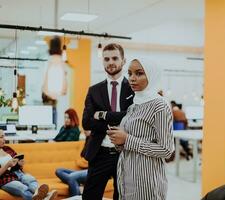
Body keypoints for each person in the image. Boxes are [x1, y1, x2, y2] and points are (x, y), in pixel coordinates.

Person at [107, 58, 174, 200]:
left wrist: (127, 139)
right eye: (130, 73)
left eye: (139, 73)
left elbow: (167, 150)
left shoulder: (159, 106)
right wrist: (119, 141)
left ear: (151, 75)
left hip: (146, 183)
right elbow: (128, 143)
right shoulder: (134, 106)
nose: (132, 78)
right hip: (126, 179)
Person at [82, 43, 134, 200]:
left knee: (122, 196)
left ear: (123, 61)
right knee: (90, 196)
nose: (110, 62)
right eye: (106, 59)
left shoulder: (134, 89)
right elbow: (86, 122)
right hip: (100, 153)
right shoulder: (94, 90)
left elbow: (134, 117)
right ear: (103, 62)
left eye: (115, 58)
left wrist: (103, 115)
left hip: (126, 153)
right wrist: (121, 118)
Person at [0, 129, 57, 200]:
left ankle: (43, 196)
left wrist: (19, 163)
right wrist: (7, 165)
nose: (4, 139)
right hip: (5, 179)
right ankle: (46, 197)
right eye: (1, 137)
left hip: (18, 173)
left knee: (31, 180)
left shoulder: (7, 149)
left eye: (4, 136)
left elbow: (16, 160)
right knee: (24, 189)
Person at [55, 131, 90, 197]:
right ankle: (76, 183)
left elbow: (86, 160)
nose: (85, 131)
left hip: (92, 170)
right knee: (59, 171)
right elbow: (83, 155)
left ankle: (76, 195)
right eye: (85, 129)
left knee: (72, 177)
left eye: (87, 129)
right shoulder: (89, 139)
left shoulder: (97, 140)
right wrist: (88, 138)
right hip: (84, 171)